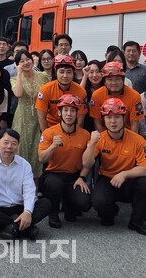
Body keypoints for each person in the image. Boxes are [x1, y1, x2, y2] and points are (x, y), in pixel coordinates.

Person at [84, 98, 146, 235]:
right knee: (98, 202)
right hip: (107, 179)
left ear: (124, 118)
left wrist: (125, 174)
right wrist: (91, 144)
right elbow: (86, 163)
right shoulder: (100, 138)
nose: (113, 121)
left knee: (145, 184)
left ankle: (136, 221)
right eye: (109, 117)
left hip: (129, 180)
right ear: (103, 120)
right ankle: (111, 212)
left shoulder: (138, 140)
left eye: (117, 117)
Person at [0, 129, 51, 240]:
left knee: (46, 203)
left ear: (18, 146)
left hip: (18, 207)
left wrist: (27, 212)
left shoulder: (24, 164)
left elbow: (29, 191)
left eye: (13, 143)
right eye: (5, 142)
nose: (9, 147)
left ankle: (12, 228)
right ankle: (25, 228)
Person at [38, 94, 92, 228]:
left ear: (77, 113)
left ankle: (69, 204)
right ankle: (54, 213)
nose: (69, 114)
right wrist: (52, 147)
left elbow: (89, 162)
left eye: (72, 110)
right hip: (53, 174)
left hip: (74, 176)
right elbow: (41, 159)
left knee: (85, 203)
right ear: (59, 112)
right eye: (65, 110)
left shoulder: (85, 134)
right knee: (55, 185)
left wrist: (82, 177)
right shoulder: (49, 133)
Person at [11, 51, 46, 177]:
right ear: (17, 64)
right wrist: (19, 73)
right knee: (22, 149)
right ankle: (19, 183)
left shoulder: (43, 76)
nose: (26, 63)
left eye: (28, 59)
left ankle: (36, 187)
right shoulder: (14, 79)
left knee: (37, 150)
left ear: (32, 60)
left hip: (39, 117)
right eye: (21, 61)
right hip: (22, 118)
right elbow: (19, 94)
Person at [35, 54, 88, 131]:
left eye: (69, 72)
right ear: (56, 73)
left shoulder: (81, 92)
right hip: (50, 128)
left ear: (73, 73)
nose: (65, 76)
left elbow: (80, 121)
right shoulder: (45, 90)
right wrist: (47, 136)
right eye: (61, 72)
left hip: (72, 129)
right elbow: (41, 118)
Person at [90, 61, 144, 134]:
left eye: (117, 79)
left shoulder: (135, 96)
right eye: (110, 79)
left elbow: (135, 126)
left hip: (128, 136)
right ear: (104, 81)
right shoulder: (96, 96)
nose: (114, 83)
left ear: (123, 79)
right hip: (105, 136)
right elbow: (97, 123)